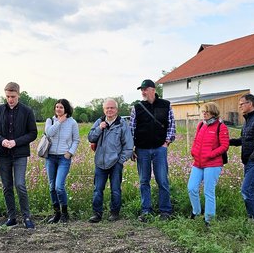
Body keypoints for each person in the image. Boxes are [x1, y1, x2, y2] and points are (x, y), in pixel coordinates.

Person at [0, 82, 38, 229]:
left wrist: (16, 142)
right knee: (7, 186)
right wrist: (2, 141)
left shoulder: (27, 111)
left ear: (18, 95)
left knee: (20, 184)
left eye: (13, 96)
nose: (10, 99)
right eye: (8, 96)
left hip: (20, 153)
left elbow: (33, 133)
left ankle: (27, 217)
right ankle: (12, 217)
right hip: (3, 154)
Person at [130, 79, 176, 221]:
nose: (143, 92)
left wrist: (167, 142)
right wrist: (131, 148)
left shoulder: (165, 105)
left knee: (162, 180)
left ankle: (165, 211)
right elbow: (131, 129)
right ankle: (146, 211)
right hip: (142, 149)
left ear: (153, 90)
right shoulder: (136, 107)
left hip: (159, 149)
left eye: (145, 89)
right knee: (144, 181)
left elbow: (171, 125)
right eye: (141, 90)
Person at [88, 98, 133, 222]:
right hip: (100, 162)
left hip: (115, 162)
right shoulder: (99, 122)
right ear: (104, 110)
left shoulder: (122, 124)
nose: (109, 110)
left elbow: (128, 146)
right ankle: (97, 213)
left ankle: (115, 213)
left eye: (112, 107)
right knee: (98, 189)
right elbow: (90, 137)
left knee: (115, 189)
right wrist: (99, 128)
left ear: (116, 110)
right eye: (107, 108)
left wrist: (120, 160)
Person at [229, 94, 254, 227]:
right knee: (252, 189)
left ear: (250, 104)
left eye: (241, 104)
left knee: (246, 189)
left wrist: (252, 157)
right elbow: (243, 140)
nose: (239, 107)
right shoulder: (247, 121)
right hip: (249, 161)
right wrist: (227, 142)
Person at [187, 102, 229, 226]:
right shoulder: (201, 125)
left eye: (207, 111)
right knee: (191, 188)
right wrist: (193, 151)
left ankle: (209, 219)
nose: (204, 114)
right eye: (203, 111)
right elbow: (196, 141)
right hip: (198, 163)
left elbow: (224, 146)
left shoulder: (221, 127)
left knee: (208, 191)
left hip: (213, 164)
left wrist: (210, 155)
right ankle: (196, 211)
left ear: (213, 113)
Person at [44, 99, 80, 224]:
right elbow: (48, 133)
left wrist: (70, 153)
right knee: (52, 187)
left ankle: (65, 213)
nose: (58, 109)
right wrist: (59, 122)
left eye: (61, 107)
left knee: (59, 186)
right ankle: (56, 213)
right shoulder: (50, 120)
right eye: (57, 107)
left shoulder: (72, 123)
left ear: (66, 109)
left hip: (63, 158)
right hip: (50, 157)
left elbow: (76, 140)